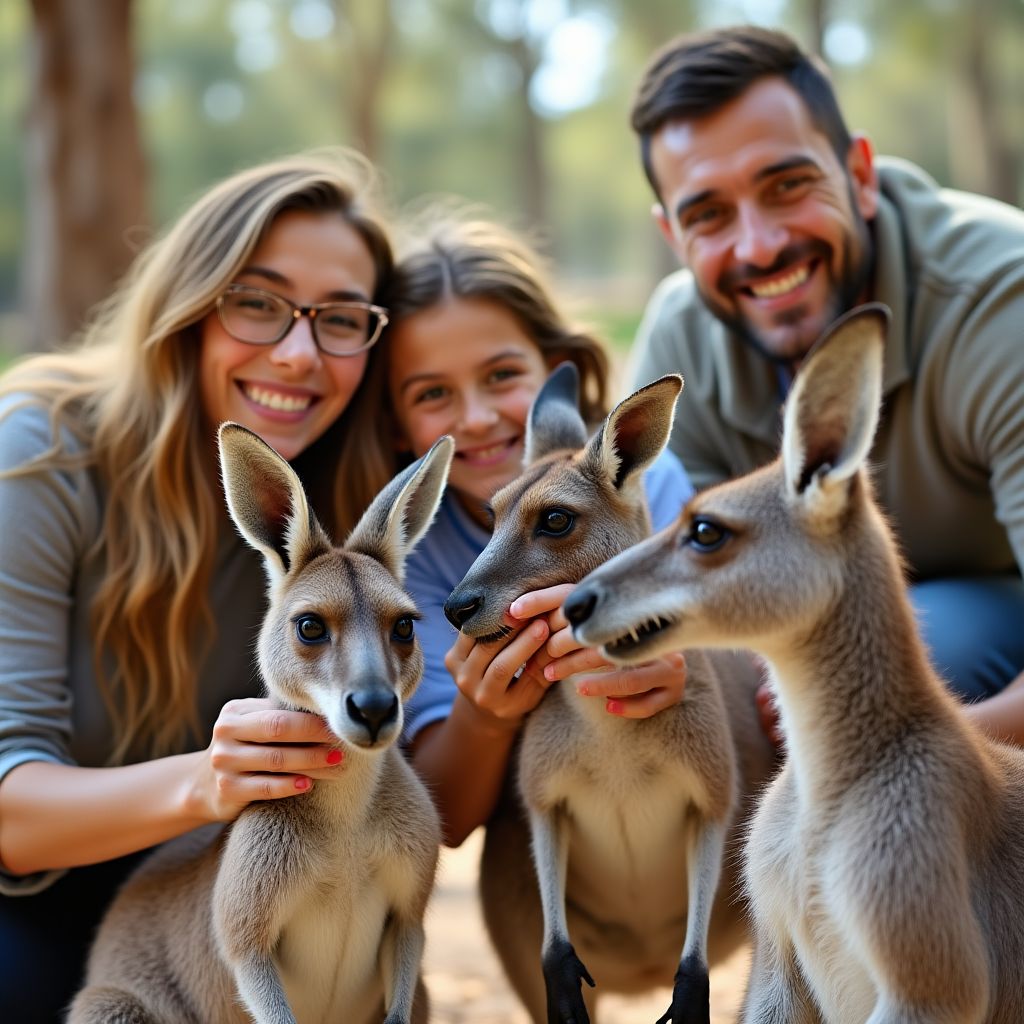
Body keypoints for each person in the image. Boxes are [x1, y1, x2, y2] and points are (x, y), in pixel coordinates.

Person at [0, 148, 397, 1022]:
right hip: (41, 898)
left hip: (242, 900)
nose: (299, 353)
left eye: (340, 319)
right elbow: (8, 812)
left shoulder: (347, 513)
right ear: (189, 306)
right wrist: (207, 784)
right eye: (257, 303)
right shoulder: (42, 453)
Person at [625, 24, 1024, 739]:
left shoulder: (1002, 304)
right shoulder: (679, 338)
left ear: (861, 176)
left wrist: (901, 754)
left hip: (992, 611)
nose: (759, 247)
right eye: (709, 215)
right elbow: (686, 602)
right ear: (673, 237)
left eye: (787, 186)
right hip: (804, 621)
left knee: (895, 657)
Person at [351, 208, 694, 845]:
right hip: (552, 823)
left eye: (502, 375)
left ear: (552, 365)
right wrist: (484, 718)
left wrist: (680, 665)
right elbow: (448, 818)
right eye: (433, 394)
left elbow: (722, 656)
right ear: (395, 422)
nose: (478, 418)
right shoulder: (413, 554)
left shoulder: (645, 485)